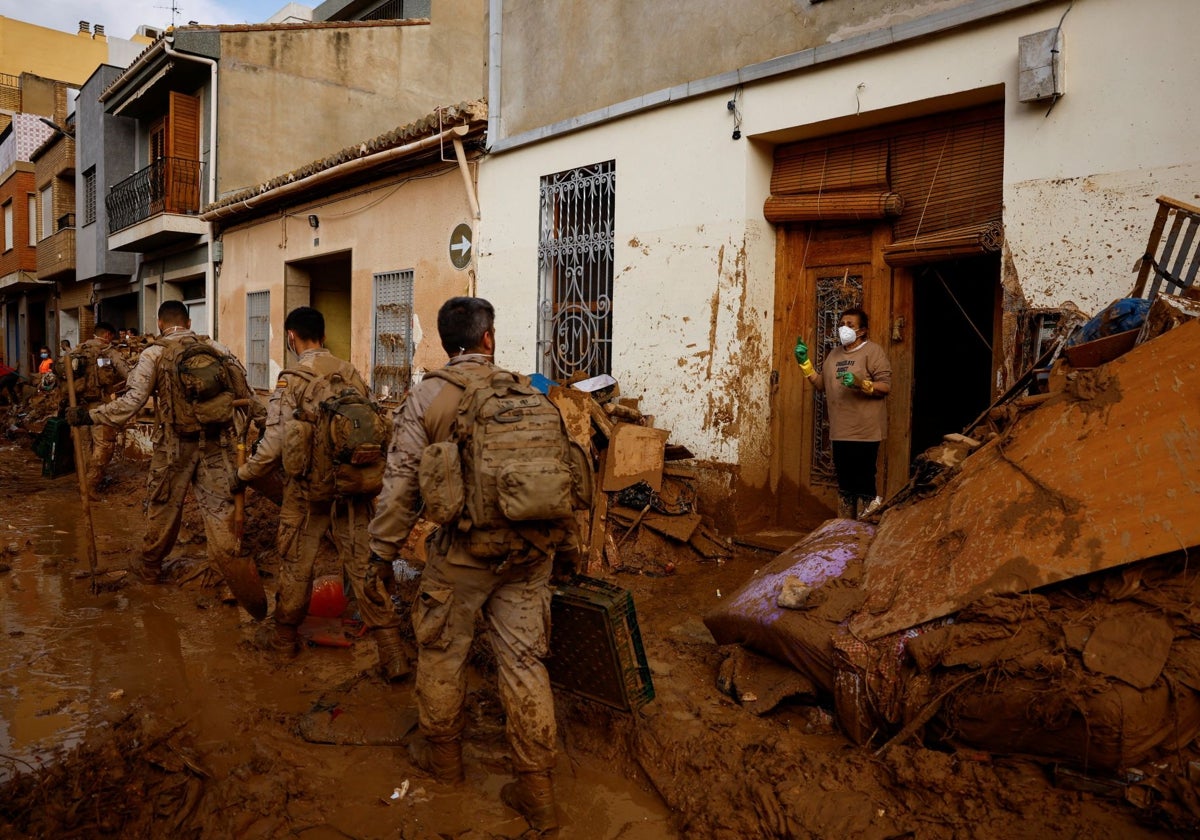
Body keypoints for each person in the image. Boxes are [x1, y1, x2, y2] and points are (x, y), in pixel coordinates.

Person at [368, 296, 574, 833]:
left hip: (462, 555)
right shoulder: (531, 392)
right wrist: (567, 551)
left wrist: (381, 554)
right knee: (526, 664)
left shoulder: (428, 396)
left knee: (440, 652)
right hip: (530, 554)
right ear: (488, 340)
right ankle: (538, 793)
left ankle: (446, 765)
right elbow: (568, 472)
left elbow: (401, 485)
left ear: (444, 343)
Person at [233, 306, 409, 679]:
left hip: (306, 492)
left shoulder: (291, 379)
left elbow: (275, 442)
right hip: (353, 487)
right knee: (364, 565)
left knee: (296, 563)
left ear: (291, 337)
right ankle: (391, 651)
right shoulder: (350, 372)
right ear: (324, 336)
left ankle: (284, 642)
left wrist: (245, 473)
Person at [66, 300, 265, 586]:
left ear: (160, 324)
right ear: (189, 323)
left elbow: (131, 403)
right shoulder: (217, 349)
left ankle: (150, 568)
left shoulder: (153, 354)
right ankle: (228, 572)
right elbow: (247, 393)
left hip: (172, 447)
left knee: (164, 506)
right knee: (221, 508)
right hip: (216, 444)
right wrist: (264, 424)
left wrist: (89, 416)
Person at [794, 306, 892, 520]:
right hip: (840, 430)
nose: (843, 329)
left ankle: (866, 528)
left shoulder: (872, 351)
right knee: (845, 483)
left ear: (862, 331)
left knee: (864, 480)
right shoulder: (834, 354)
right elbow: (820, 384)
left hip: (865, 430)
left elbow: (885, 386)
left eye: (850, 325)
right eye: (841, 324)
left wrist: (861, 384)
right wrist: (804, 363)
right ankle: (845, 530)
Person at [67, 322, 131, 497]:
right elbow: (129, 375)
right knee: (105, 444)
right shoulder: (109, 352)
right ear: (108, 335)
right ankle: (90, 485)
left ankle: (82, 483)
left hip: (77, 407)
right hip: (100, 405)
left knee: (83, 445)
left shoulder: (76, 351)